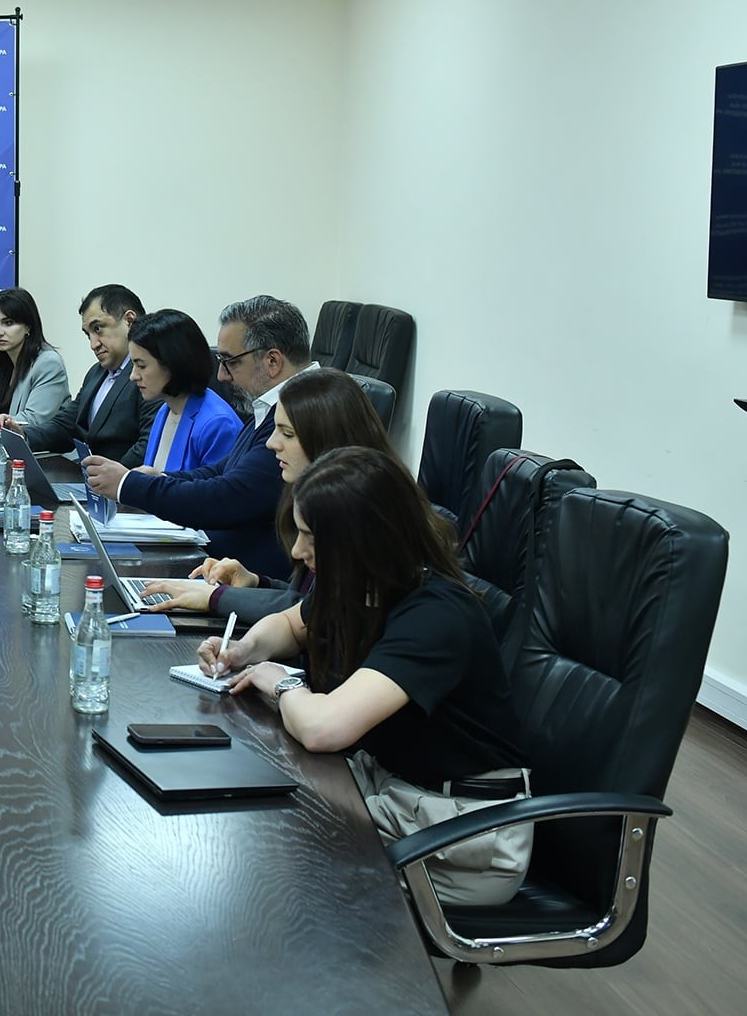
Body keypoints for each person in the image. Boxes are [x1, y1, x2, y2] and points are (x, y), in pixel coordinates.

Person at [200, 446, 532, 906]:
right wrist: (244, 650)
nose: (297, 551)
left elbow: (322, 728)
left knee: (277, 862)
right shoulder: (362, 583)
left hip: (460, 831)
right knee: (253, 811)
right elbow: (292, 625)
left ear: (361, 539)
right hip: (392, 789)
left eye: (310, 538)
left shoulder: (437, 616)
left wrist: (279, 681)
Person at [137, 368, 409, 618]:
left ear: (325, 438)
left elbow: (314, 614)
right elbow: (304, 596)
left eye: (287, 434)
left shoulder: (361, 517)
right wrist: (257, 582)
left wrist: (215, 598)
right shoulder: (316, 498)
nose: (271, 443)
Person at [81, 294, 315, 579]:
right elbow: (220, 471)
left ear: (273, 361)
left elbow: (228, 497)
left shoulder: (305, 414)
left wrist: (128, 485)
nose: (222, 375)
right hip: (231, 573)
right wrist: (158, 479)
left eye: (230, 362)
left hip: (254, 582)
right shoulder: (271, 408)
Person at [0, 284, 160, 461]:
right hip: (87, 473)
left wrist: (116, 474)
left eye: (98, 329)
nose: (93, 344)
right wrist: (24, 434)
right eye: (88, 335)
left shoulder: (151, 373)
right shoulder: (96, 373)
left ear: (129, 321)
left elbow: (149, 445)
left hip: (122, 476)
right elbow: (67, 427)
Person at [122, 308, 242, 474]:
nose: (133, 376)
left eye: (141, 366)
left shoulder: (218, 424)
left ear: (173, 363)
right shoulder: (165, 409)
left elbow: (216, 490)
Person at [0, 287, 69, 433]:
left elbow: (31, 421)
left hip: (43, 447)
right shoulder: (6, 360)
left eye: (8, 323)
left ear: (28, 326)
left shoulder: (48, 363)